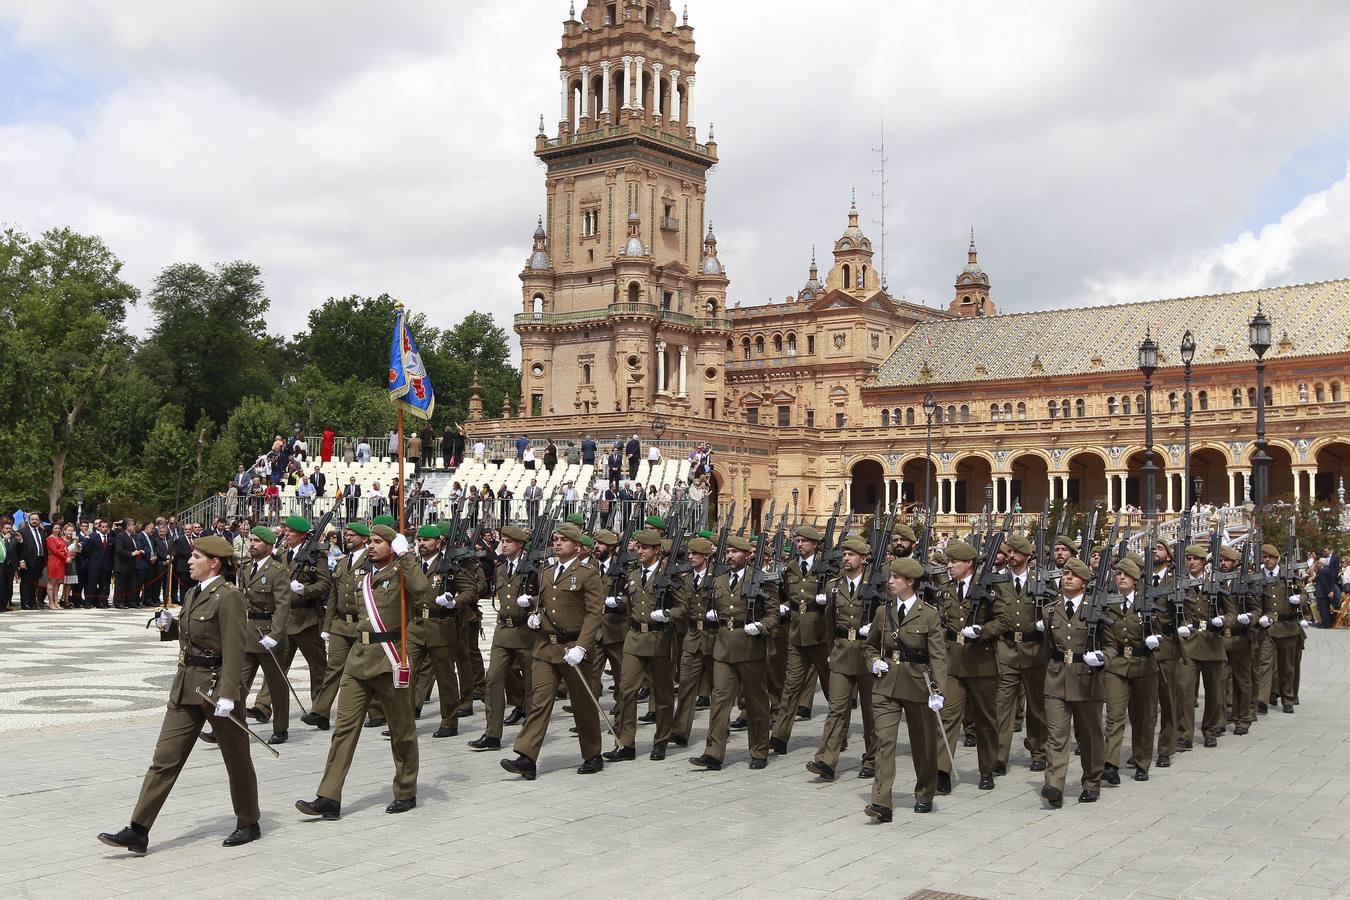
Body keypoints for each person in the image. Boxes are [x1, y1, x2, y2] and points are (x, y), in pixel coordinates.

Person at [98, 535, 260, 853]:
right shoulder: (191, 592)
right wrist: (168, 626)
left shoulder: (229, 596)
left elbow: (234, 647)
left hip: (216, 690)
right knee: (165, 759)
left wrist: (229, 693)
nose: (188, 560)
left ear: (214, 562)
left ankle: (248, 821)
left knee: (237, 758)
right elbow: (191, 636)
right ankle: (139, 829)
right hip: (186, 685)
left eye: (196, 556)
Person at [296, 524, 424, 820]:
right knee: (344, 729)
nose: (372, 546)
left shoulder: (402, 572)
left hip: (389, 659)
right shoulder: (365, 576)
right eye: (371, 541)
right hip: (358, 658)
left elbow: (422, 590)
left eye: (379, 542)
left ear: (393, 547)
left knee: (401, 730)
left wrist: (407, 556)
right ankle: (328, 797)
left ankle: (406, 790)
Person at [500, 523, 605, 780]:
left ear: (577, 547)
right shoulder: (546, 572)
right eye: (555, 539)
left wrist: (582, 646)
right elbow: (546, 603)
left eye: (563, 540)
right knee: (539, 701)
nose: (557, 543)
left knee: (582, 705)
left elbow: (593, 613)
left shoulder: (587, 574)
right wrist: (535, 615)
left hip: (573, 649)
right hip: (546, 647)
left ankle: (592, 754)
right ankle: (527, 757)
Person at [861, 557, 947, 820]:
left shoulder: (929, 614)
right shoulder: (882, 612)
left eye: (897, 578)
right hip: (886, 685)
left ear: (910, 581)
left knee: (923, 744)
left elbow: (939, 656)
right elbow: (870, 646)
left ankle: (924, 792)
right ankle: (881, 802)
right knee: (884, 742)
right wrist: (874, 662)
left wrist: (939, 691)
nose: (891, 582)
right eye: (891, 577)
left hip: (918, 684)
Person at [689, 535, 779, 772]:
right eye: (727, 552)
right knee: (719, 701)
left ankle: (759, 749)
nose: (729, 556)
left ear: (748, 555)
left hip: (751, 649)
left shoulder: (760, 579)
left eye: (734, 552)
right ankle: (714, 752)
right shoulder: (718, 580)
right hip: (724, 648)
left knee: (756, 701)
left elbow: (773, 614)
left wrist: (762, 627)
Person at [604, 530, 689, 763]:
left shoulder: (670, 577)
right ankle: (625, 743)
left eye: (645, 548)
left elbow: (684, 609)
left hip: (660, 640)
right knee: (626, 691)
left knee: (662, 695)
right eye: (638, 547)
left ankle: (661, 740)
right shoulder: (632, 574)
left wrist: (668, 614)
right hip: (634, 638)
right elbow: (631, 606)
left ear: (656, 551)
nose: (639, 551)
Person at [1041, 558, 1116, 808]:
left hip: (1087, 679)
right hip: (1056, 679)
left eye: (1074, 575)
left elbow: (1111, 645)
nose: (1068, 577)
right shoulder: (1050, 610)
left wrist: (1103, 658)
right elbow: (1047, 648)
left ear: (1084, 581)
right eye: (1065, 573)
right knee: (1055, 735)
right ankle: (1054, 784)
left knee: (1090, 736)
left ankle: (1092, 782)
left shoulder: (1096, 609)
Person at [807, 535, 877, 781]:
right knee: (836, 709)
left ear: (863, 559)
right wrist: (830, 651)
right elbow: (829, 623)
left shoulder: (877, 585)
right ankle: (826, 760)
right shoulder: (834, 586)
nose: (846, 559)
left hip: (868, 654)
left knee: (871, 712)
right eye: (844, 555)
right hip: (841, 654)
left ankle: (872, 759)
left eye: (851, 555)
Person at [468, 525, 533, 751]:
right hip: (503, 632)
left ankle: (530, 735)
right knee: (493, 679)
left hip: (527, 633)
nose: (503, 545)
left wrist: (532, 601)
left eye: (508, 542)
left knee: (532, 683)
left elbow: (545, 595)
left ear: (519, 544)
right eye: (502, 541)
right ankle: (492, 734)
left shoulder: (533, 569)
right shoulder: (501, 568)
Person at [769, 525, 832, 754]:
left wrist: (829, 601)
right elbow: (787, 595)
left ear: (815, 544)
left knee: (830, 688)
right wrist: (785, 608)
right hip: (797, 635)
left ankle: (837, 734)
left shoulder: (827, 568)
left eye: (805, 541)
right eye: (798, 541)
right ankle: (779, 736)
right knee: (791, 687)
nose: (800, 545)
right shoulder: (792, 567)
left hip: (820, 636)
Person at [1102, 557, 1159, 785]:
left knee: (1144, 718)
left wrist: (1158, 638)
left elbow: (1165, 625)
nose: (1121, 577)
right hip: (1116, 666)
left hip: (1144, 664)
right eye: (1118, 574)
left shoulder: (1148, 602)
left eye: (1126, 574)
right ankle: (1110, 764)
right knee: (1114, 716)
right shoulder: (1109, 602)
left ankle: (1142, 761)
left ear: (1135, 580)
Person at [236, 526, 292, 745]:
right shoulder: (245, 568)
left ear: (269, 546)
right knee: (237, 683)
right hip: (247, 633)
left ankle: (280, 728)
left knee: (276, 685)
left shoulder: (277, 571)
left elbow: (282, 606)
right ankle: (232, 725)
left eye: (258, 541)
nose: (252, 544)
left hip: (267, 634)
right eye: (251, 540)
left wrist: (276, 634)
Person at [17, 514, 47, 610]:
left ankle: (32, 602)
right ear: (29, 520)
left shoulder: (42, 531)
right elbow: (20, 548)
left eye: (36, 519)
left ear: (39, 521)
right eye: (32, 519)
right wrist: (21, 560)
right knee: (26, 582)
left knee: (34, 583)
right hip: (27, 561)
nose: (34, 521)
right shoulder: (23, 532)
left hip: (39, 560)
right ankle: (25, 603)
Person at [44, 523, 71, 609]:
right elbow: (55, 551)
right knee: (51, 582)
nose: (57, 529)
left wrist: (69, 556)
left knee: (57, 583)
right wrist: (65, 558)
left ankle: (56, 602)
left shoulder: (60, 539)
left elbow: (66, 549)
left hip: (61, 562)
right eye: (55, 528)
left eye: (59, 528)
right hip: (54, 561)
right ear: (52, 529)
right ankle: (51, 602)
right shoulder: (50, 539)